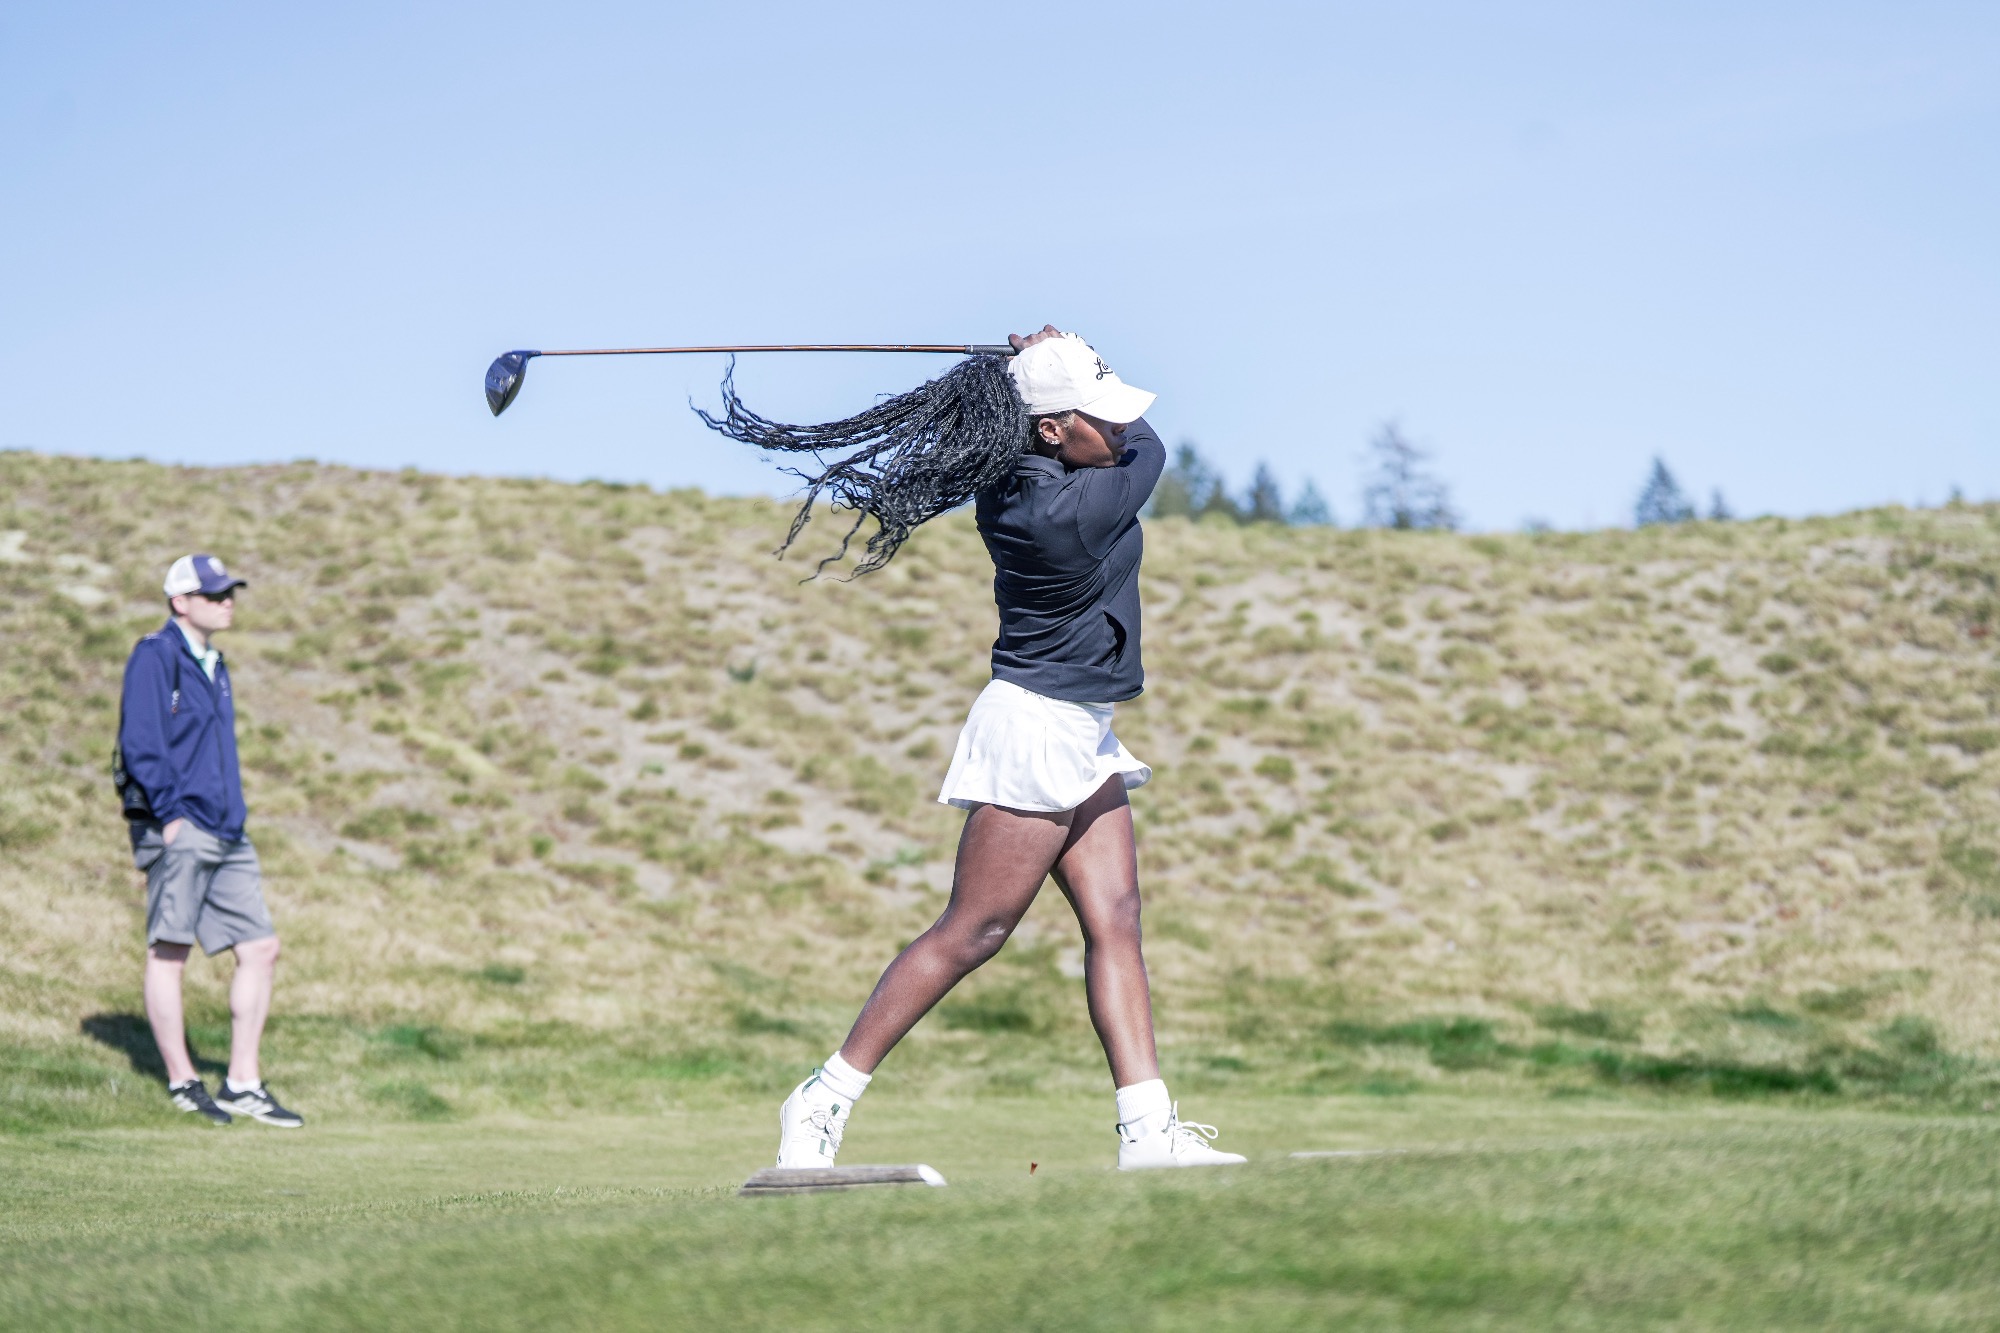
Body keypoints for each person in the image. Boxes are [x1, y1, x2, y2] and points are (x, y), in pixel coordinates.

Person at [774, 329, 1245, 1170]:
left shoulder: (1036, 475)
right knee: (975, 928)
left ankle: (1148, 1131)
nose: (1120, 427)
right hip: (1034, 727)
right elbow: (1152, 446)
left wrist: (1050, 361)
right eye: (1100, 416)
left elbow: (1108, 431)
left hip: (1081, 725)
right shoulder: (1066, 508)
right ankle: (821, 1097)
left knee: (1117, 918)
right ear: (1055, 430)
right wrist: (1059, 364)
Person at [116, 554, 303, 1128]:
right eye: (216, 593)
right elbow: (141, 742)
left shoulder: (216, 663)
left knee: (261, 948)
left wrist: (233, 814)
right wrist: (171, 816)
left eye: (231, 593)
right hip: (181, 827)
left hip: (227, 830)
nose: (228, 602)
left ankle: (243, 1084)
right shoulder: (156, 655)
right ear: (181, 602)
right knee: (170, 951)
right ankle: (182, 1080)